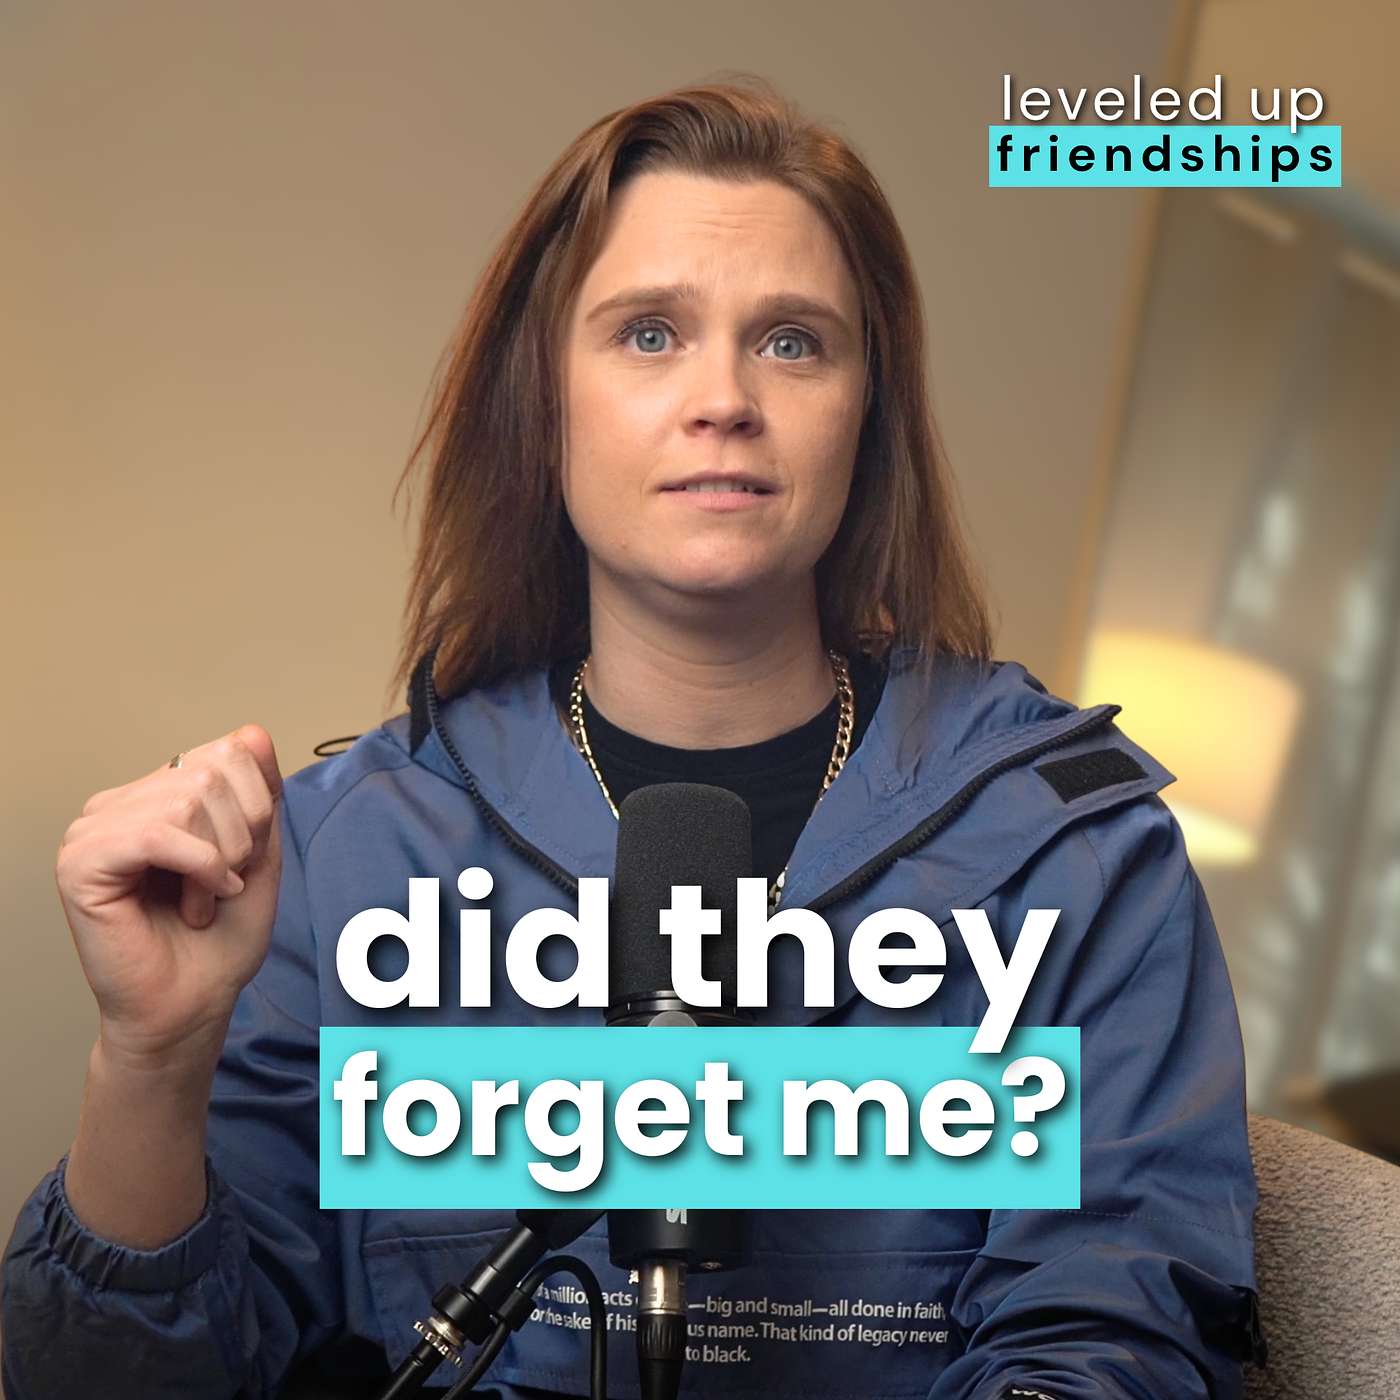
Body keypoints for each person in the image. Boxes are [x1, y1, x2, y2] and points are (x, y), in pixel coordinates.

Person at [2, 77, 1265, 1399]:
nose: (724, 398)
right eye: (649, 334)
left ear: (867, 415)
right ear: (545, 401)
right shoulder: (347, 857)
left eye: (793, 342)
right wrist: (149, 1061)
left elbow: (1115, 1338)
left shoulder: (1073, 856)